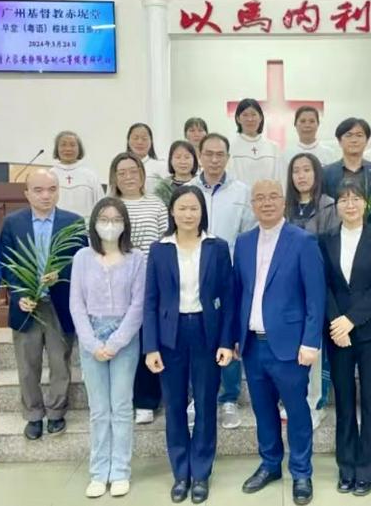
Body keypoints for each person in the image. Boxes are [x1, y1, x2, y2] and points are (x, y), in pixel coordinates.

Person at [235, 180, 325, 506]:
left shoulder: (302, 241)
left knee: (298, 411)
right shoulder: (243, 243)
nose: (267, 203)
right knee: (262, 410)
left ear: (283, 201)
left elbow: (315, 297)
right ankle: (270, 464)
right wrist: (235, 337)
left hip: (289, 345)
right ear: (252, 204)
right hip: (252, 345)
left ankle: (301, 471)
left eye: (273, 196)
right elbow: (238, 293)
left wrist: (311, 341)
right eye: (259, 198)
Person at [143, 186, 235, 504]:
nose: (187, 214)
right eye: (182, 208)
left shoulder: (217, 247)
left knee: (207, 404)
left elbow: (230, 297)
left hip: (207, 333)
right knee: (175, 406)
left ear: (202, 212)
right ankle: (180, 472)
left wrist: (226, 340)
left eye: (194, 208)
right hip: (171, 336)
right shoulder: (159, 250)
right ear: (172, 211)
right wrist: (151, 346)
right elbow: (151, 301)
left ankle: (201, 472)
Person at [0, 168, 85, 440]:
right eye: (38, 190)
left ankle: (57, 411)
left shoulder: (73, 222)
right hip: (27, 305)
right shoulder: (14, 223)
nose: (46, 195)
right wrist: (17, 292)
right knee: (28, 363)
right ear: (27, 193)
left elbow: (82, 263)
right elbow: (5, 262)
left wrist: (61, 274)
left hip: (60, 303)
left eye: (51, 189)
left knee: (60, 362)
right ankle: (34, 414)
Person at [69, 198, 145, 498]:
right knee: (99, 410)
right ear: (94, 222)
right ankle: (99, 472)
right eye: (104, 218)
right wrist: (91, 342)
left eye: (116, 219)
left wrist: (115, 343)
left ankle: (121, 471)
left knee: (122, 407)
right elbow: (76, 303)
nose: (110, 224)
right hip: (91, 337)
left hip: (124, 339)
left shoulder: (136, 258)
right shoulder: (82, 257)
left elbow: (138, 305)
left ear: (125, 224)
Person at [319, 182, 371, 496]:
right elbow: (323, 285)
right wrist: (337, 322)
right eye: (344, 199)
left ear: (365, 204)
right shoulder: (325, 240)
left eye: (356, 199)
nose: (350, 204)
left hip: (370, 330)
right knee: (345, 402)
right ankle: (347, 466)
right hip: (337, 332)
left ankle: (368, 469)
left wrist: (351, 320)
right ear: (336, 206)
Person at [189, 133, 256, 429]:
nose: (215, 159)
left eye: (220, 154)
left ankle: (229, 398)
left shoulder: (241, 191)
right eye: (209, 154)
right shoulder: (187, 191)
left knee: (228, 332)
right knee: (195, 334)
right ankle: (198, 396)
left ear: (228, 157)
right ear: (200, 156)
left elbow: (248, 234)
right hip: (192, 272)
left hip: (229, 273)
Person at [107, 152, 168, 425]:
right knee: (122, 342)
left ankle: (146, 401)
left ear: (142, 174)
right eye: (122, 172)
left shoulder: (156, 204)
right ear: (114, 178)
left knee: (147, 341)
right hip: (117, 284)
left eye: (133, 171)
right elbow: (98, 244)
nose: (128, 176)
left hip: (150, 282)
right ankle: (121, 399)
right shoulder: (109, 207)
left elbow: (166, 242)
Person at [285, 152, 339, 429]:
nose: (301, 175)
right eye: (296, 171)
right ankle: (294, 400)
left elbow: (331, 250)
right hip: (288, 289)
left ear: (317, 174)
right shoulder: (285, 207)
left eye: (307, 170)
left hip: (318, 285)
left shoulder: (329, 206)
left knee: (315, 348)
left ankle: (316, 403)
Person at [323, 117, 371, 227]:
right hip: (336, 234)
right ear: (339, 141)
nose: (354, 140)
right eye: (348, 135)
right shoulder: (327, 172)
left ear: (366, 141)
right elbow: (323, 208)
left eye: (359, 135)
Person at [229, 98, 285, 189]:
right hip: (239, 201)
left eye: (254, 115)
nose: (250, 119)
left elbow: (281, 180)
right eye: (245, 115)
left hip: (268, 200)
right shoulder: (230, 147)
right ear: (238, 119)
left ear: (261, 118)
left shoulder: (273, 148)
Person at [50, 130, 105, 220]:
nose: (68, 149)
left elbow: (101, 206)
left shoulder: (90, 175)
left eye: (72, 145)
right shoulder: (50, 175)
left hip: (85, 229)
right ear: (57, 149)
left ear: (79, 149)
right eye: (63, 145)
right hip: (57, 231)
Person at [127, 122, 169, 194]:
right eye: (135, 138)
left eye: (144, 138)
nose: (140, 142)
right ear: (128, 141)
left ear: (151, 142)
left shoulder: (162, 167)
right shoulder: (119, 165)